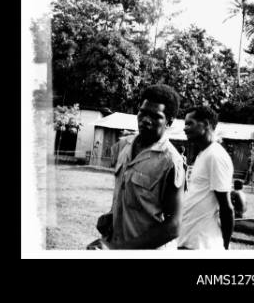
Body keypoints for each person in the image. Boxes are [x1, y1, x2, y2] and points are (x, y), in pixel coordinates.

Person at [89, 84, 185, 250]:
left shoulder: (171, 162)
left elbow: (173, 226)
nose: (146, 120)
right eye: (143, 112)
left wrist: (117, 250)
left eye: (155, 116)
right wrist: (111, 217)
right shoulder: (126, 145)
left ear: (169, 122)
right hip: (118, 241)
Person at [177, 106, 234, 250]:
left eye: (190, 123)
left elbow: (226, 208)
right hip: (189, 239)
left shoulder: (215, 156)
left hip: (202, 244)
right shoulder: (203, 154)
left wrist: (225, 248)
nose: (185, 128)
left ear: (206, 124)